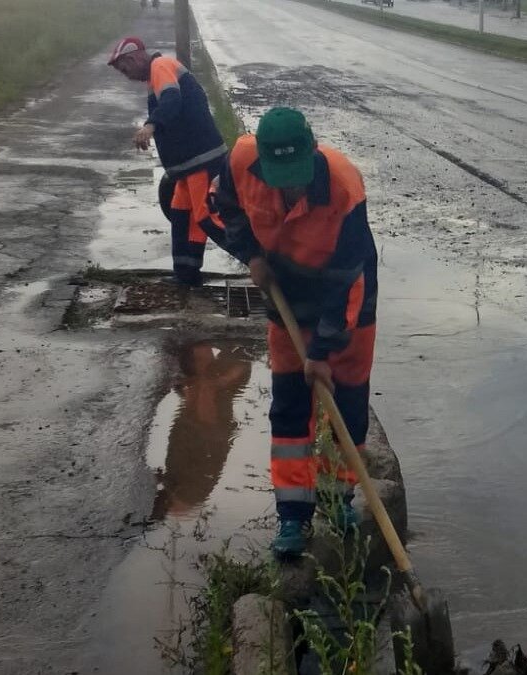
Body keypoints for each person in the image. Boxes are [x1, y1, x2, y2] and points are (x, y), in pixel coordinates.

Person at [212, 108, 378, 558]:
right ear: (263, 161)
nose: (291, 188)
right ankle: (293, 516)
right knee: (289, 408)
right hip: (285, 299)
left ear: (313, 151)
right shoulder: (241, 160)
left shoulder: (344, 187)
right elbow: (222, 204)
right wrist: (250, 255)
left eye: (298, 178)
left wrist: (322, 349)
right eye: (281, 178)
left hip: (346, 305)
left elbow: (348, 276)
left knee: (346, 404)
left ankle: (337, 498)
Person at [108, 36, 231, 286]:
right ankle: (186, 276)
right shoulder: (154, 76)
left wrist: (151, 125)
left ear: (132, 58)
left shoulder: (161, 66)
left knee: (209, 218)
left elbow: (172, 100)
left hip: (201, 160)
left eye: (124, 69)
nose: (126, 75)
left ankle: (262, 263)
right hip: (186, 167)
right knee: (183, 218)